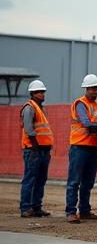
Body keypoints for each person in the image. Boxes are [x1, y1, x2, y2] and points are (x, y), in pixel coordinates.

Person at [66, 74, 97, 224]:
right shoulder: (80, 104)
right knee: (74, 181)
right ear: (86, 89)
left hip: (93, 147)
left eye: (96, 88)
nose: (95, 91)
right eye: (92, 88)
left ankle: (84, 210)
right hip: (79, 146)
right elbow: (85, 122)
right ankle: (71, 212)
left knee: (88, 182)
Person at [19, 80, 53, 218]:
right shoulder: (29, 108)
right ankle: (26, 208)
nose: (42, 94)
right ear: (32, 93)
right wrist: (35, 146)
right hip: (33, 149)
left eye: (43, 91)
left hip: (43, 149)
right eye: (39, 92)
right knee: (30, 179)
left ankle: (36, 207)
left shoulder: (41, 108)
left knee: (40, 179)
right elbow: (28, 128)